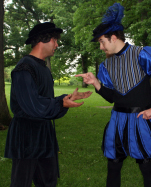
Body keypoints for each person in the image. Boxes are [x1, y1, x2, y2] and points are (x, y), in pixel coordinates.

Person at [76, 3, 151, 187]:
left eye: (102, 42)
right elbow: (113, 97)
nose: (101, 47)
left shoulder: (141, 54)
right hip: (117, 120)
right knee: (113, 167)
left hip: (140, 119)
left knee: (146, 168)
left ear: (113, 38)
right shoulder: (106, 65)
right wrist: (96, 83)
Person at [4, 22, 92, 187]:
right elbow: (32, 104)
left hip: (44, 133)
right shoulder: (24, 68)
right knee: (21, 182)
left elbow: (42, 98)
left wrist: (65, 98)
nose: (57, 45)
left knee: (48, 181)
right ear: (42, 40)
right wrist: (61, 103)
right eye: (54, 40)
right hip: (26, 136)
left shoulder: (43, 68)